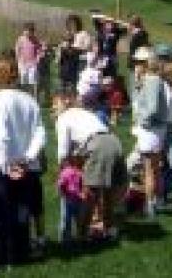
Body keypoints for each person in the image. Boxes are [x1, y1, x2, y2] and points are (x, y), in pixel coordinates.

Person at [0, 57, 46, 266]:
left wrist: (7, 163)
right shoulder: (29, 99)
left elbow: (2, 134)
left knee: (0, 213)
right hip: (26, 164)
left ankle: (5, 256)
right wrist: (27, 158)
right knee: (22, 211)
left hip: (2, 166)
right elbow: (40, 133)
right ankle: (22, 251)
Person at [51, 90, 125, 241]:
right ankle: (109, 229)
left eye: (55, 104)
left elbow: (63, 153)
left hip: (97, 144)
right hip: (114, 142)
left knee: (90, 194)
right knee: (108, 192)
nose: (53, 108)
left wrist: (62, 176)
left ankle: (82, 235)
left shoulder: (63, 118)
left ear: (65, 102)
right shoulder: (85, 112)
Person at [131, 47, 171, 219]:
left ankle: (149, 204)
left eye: (139, 62)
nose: (136, 65)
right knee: (156, 167)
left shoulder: (152, 79)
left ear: (147, 63)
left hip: (151, 129)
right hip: (157, 129)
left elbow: (152, 108)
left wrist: (142, 122)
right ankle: (159, 199)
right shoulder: (150, 79)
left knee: (149, 169)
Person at [14, 22, 43, 99]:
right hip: (23, 64)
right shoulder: (20, 39)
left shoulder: (35, 40)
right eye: (26, 30)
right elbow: (17, 50)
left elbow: (39, 51)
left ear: (32, 32)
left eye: (30, 31)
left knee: (33, 82)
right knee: (24, 82)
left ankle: (34, 98)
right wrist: (19, 61)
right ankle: (24, 97)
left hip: (32, 64)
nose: (27, 32)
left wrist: (37, 60)